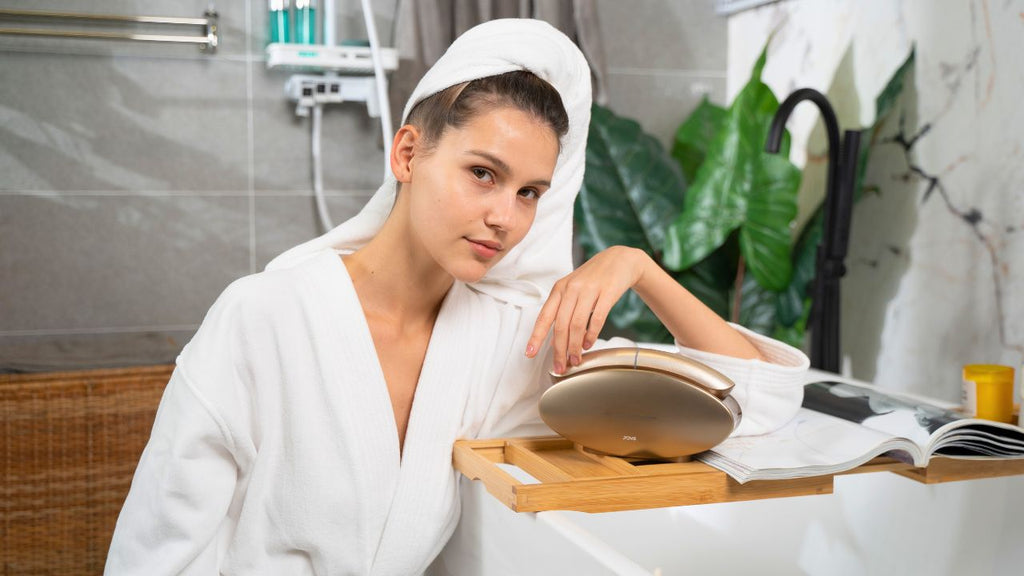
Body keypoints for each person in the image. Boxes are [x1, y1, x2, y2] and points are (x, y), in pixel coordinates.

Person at [105, 19, 809, 576]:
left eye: (530, 192)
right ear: (407, 155)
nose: (506, 216)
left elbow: (759, 400)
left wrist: (638, 266)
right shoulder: (264, 317)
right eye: (483, 173)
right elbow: (157, 556)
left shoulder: (508, 340)